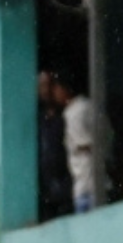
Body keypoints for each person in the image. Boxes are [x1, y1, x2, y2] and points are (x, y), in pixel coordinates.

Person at [55, 73, 95, 214]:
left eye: (57, 88)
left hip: (85, 182)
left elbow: (84, 145)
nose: (55, 93)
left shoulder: (74, 112)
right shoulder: (89, 106)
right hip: (92, 180)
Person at [38, 71, 73, 221]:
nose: (46, 90)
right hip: (45, 189)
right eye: (42, 86)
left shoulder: (66, 115)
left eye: (49, 85)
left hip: (65, 185)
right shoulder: (36, 118)